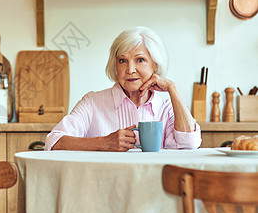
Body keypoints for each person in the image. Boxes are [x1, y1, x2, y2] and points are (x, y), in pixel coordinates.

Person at [45, 26, 201, 151]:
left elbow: (190, 142)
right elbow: (54, 141)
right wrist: (103, 143)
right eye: (122, 61)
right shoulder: (92, 102)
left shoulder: (166, 108)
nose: (130, 69)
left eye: (140, 60)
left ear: (155, 65)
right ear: (115, 65)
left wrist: (172, 89)